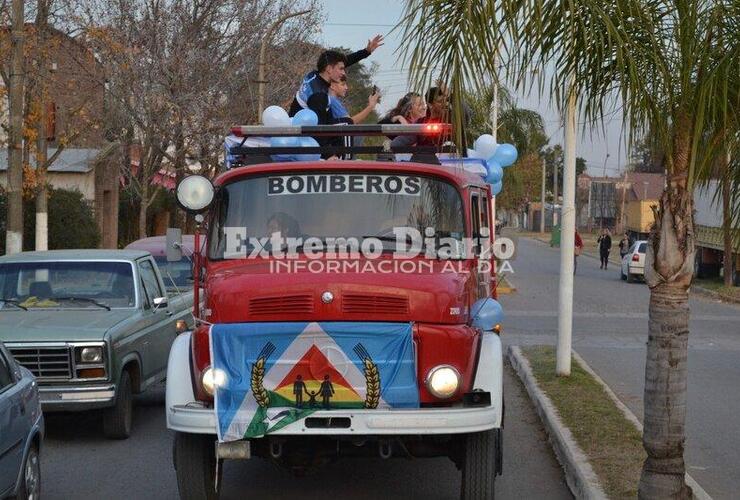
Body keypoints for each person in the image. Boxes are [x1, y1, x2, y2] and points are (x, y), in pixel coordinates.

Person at [289, 35, 384, 124]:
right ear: (329, 69)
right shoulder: (319, 96)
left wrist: (366, 51)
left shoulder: (314, 74)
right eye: (341, 69)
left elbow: (346, 61)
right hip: (299, 135)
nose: (344, 72)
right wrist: (347, 122)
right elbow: (321, 130)